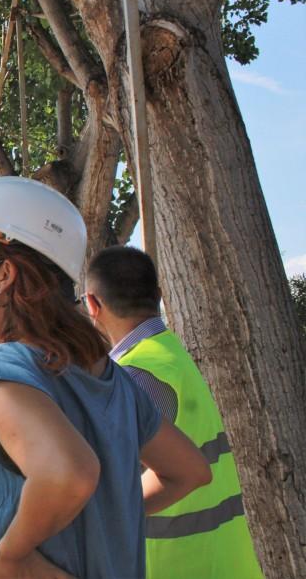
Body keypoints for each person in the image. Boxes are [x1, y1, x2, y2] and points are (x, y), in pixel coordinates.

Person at [0, 176, 211, 579]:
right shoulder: (112, 378)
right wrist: (111, 515)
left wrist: (13, 557)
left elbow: (69, 473)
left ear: (5, 274)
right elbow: (190, 471)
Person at [85, 245, 263, 579]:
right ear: (158, 295)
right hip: (224, 562)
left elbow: (116, 484)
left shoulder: (132, 376)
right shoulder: (169, 355)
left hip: (177, 565)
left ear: (93, 304)